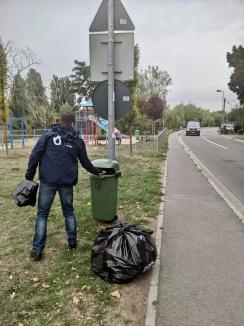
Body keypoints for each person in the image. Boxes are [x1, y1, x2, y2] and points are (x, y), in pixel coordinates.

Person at [25, 112, 100, 261]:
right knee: (68, 212)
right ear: (73, 123)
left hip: (48, 181)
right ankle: (72, 243)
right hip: (66, 183)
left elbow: (35, 154)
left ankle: (37, 250)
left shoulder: (48, 135)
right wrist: (97, 172)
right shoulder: (77, 140)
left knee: (42, 215)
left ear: (61, 121)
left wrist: (29, 175)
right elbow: (85, 162)